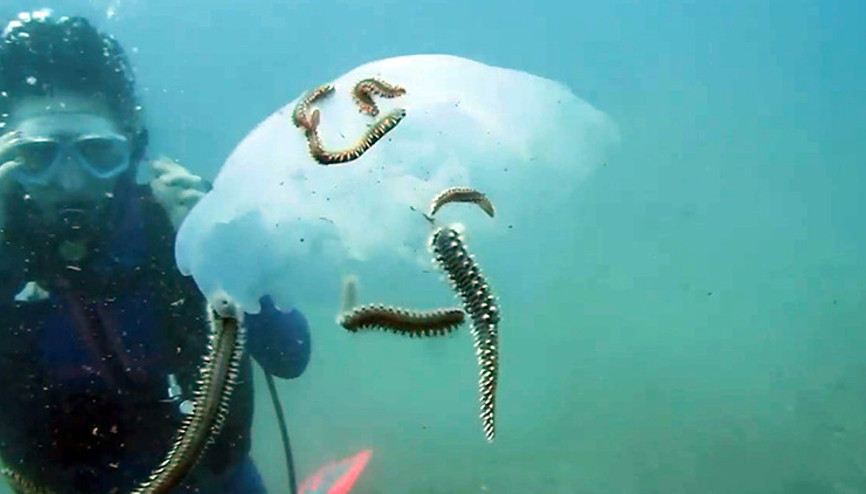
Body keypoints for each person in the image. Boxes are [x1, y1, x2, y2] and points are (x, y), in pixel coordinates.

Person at [0, 10, 311, 494]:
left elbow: (291, 354)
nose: (69, 184)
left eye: (98, 154)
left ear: (132, 145)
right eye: (37, 156)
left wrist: (221, 250)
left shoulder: (182, 228)